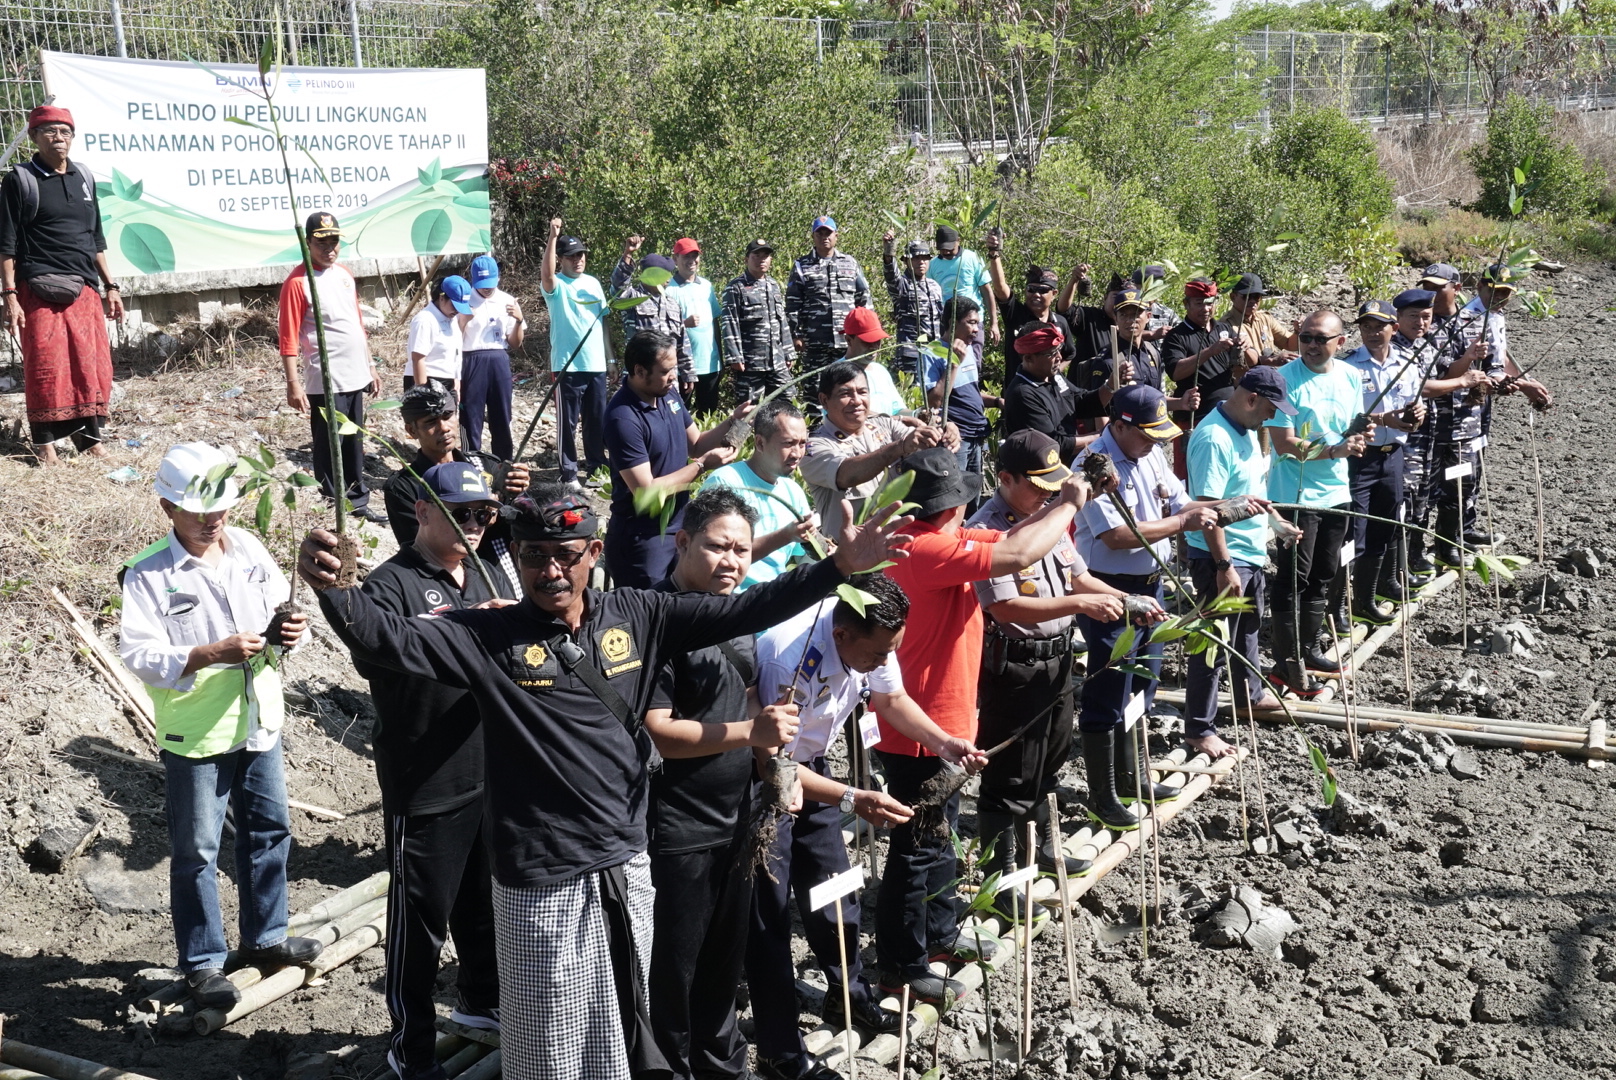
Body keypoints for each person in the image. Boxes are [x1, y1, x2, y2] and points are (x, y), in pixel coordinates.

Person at [298, 483, 916, 1080]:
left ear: (594, 554)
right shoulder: (486, 636)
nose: (551, 572)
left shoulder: (640, 614)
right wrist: (335, 587)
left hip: (626, 866)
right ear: (516, 558)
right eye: (534, 556)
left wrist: (837, 567)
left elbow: (752, 606)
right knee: (549, 1041)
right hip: (541, 876)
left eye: (567, 555)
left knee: (620, 1028)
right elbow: (386, 638)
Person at [874, 446, 1088, 1000]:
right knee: (916, 846)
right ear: (947, 509)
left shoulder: (939, 539)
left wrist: (1057, 506)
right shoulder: (924, 550)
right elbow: (1018, 555)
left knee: (940, 833)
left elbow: (1016, 537)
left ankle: (942, 934)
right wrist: (1068, 502)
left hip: (948, 720)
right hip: (920, 726)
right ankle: (903, 961)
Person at [751, 574, 984, 1073]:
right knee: (769, 915)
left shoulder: (874, 634)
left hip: (814, 770)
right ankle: (779, 1045)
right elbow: (773, 766)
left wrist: (944, 743)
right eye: (879, 653)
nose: (886, 660)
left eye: (891, 651)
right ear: (842, 637)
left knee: (837, 891)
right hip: (769, 784)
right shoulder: (786, 657)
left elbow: (892, 700)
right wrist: (854, 797)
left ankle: (849, 996)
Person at [119, 443, 321, 1011]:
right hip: (199, 733)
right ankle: (203, 962)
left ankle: (266, 938)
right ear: (167, 509)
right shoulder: (148, 575)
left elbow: (282, 608)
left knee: (269, 830)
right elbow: (139, 653)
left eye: (221, 511)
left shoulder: (249, 550)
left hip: (260, 718)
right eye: (199, 512)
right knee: (197, 851)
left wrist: (290, 630)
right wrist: (210, 653)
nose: (213, 521)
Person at [352, 462, 514, 1080]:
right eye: (462, 513)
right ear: (423, 513)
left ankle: (480, 1003)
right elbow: (377, 648)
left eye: (484, 513)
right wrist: (468, 625)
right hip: (423, 776)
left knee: (482, 901)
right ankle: (408, 1045)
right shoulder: (389, 584)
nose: (475, 525)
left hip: (485, 766)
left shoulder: (484, 570)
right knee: (419, 922)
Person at [643, 488, 803, 1080]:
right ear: (683, 542)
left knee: (723, 962)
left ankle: (723, 1065)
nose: (732, 561)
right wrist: (750, 731)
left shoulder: (734, 614)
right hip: (676, 826)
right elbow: (660, 731)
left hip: (739, 815)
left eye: (742, 550)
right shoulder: (653, 616)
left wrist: (772, 763)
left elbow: (751, 697)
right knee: (675, 967)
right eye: (718, 547)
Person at [969, 431, 1132, 875]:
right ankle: (1001, 876)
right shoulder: (987, 531)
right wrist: (1081, 605)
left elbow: (1079, 578)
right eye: (1038, 485)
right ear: (1005, 478)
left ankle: (1040, 849)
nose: (1047, 494)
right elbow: (1005, 607)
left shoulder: (1050, 518)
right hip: (1015, 665)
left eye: (1052, 485)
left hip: (1058, 659)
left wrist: (1126, 600)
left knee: (1050, 759)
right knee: (1011, 773)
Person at [1072, 387, 1213, 828]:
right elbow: (1115, 537)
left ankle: (1131, 775)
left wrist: (1219, 510)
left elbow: (1179, 499)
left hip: (1150, 584)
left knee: (1142, 682)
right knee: (1109, 686)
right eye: (1147, 433)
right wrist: (1180, 524)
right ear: (1119, 425)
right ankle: (1103, 793)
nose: (1156, 442)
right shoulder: (1091, 466)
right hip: (1110, 589)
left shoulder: (1150, 454)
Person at [1, 104, 122, 464]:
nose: (59, 138)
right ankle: (45, 445)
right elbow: (5, 244)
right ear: (34, 137)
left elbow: (95, 237)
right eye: (50, 131)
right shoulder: (20, 180)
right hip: (37, 287)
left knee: (90, 366)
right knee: (47, 367)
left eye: (65, 131)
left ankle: (90, 440)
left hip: (84, 287)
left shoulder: (83, 178)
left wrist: (111, 286)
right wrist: (9, 295)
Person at [1263, 311, 1371, 698]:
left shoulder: (1349, 376)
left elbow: (1349, 425)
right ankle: (1285, 662)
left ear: (1340, 342)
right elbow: (1284, 444)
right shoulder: (1284, 380)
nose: (1310, 345)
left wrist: (1358, 436)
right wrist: (1336, 449)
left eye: (1319, 339)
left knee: (1324, 574)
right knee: (1294, 577)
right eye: (1305, 337)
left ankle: (1308, 650)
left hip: (1337, 492)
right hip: (1296, 495)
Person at [1182, 370, 1286, 759]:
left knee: (1247, 630)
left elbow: (1247, 494)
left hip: (1249, 549)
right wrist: (1223, 564)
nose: (1271, 418)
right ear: (1251, 398)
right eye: (1270, 409)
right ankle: (1199, 729)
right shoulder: (1213, 438)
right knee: (1212, 643)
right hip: (1221, 556)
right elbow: (1209, 512)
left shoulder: (1243, 430)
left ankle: (1249, 695)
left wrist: (1276, 524)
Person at [604, 330, 748, 588]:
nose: (673, 377)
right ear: (639, 371)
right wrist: (702, 466)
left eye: (674, 369)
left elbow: (695, 444)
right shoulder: (622, 417)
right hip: (643, 538)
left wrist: (732, 421)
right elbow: (645, 491)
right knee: (648, 616)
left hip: (679, 527)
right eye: (665, 371)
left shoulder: (668, 395)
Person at [278, 212, 386, 523]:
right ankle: (332, 504)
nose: (330, 248)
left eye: (334, 241)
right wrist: (293, 382)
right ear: (307, 243)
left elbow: (357, 323)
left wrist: (371, 366)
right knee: (330, 444)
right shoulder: (298, 282)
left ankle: (356, 498)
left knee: (354, 440)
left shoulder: (343, 275)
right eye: (322, 242)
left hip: (355, 373)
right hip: (326, 378)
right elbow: (288, 336)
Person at [382, 384, 530, 585]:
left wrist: (517, 495)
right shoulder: (406, 486)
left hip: (509, 576)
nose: (444, 427)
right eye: (431, 422)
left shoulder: (486, 465)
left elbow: (523, 527)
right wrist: (484, 517)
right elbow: (422, 549)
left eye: (447, 416)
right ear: (411, 430)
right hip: (456, 586)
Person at [800, 360, 957, 536]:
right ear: (824, 400)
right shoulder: (813, 447)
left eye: (862, 392)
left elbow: (921, 442)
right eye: (845, 394)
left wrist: (945, 432)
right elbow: (846, 475)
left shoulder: (884, 425)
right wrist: (899, 447)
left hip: (899, 546)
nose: (856, 401)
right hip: (852, 556)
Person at [1340, 300, 1425, 621]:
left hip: (1394, 458)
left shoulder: (1406, 362)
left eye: (1379, 326)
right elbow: (1346, 418)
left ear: (1393, 327)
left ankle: (1367, 598)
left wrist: (1417, 415)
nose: (1373, 333)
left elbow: (1415, 409)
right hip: (1361, 458)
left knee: (1384, 529)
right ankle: (1340, 607)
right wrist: (1384, 419)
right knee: (1354, 533)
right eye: (1366, 326)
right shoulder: (1348, 367)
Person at [700, 398, 816, 590]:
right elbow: (714, 558)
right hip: (728, 598)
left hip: (770, 599)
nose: (797, 453)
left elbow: (801, 557)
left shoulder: (793, 491)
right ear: (760, 443)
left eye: (802, 443)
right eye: (788, 443)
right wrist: (786, 535)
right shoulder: (725, 482)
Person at [540, 217, 610, 491]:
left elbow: (602, 321)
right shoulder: (556, 285)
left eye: (581, 255)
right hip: (567, 365)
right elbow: (546, 275)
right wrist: (552, 237)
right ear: (562, 260)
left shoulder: (593, 284)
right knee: (567, 424)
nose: (578, 260)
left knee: (597, 421)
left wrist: (611, 358)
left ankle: (595, 468)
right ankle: (568, 473)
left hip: (596, 364)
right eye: (571, 257)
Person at [1001, 323, 1123, 463]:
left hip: (1067, 465)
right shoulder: (1023, 394)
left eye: (1059, 349)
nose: (1059, 357)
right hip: (1042, 474)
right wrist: (1105, 436)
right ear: (1028, 358)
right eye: (1052, 353)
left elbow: (1081, 403)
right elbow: (1053, 445)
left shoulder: (1053, 375)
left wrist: (1112, 383)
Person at [925, 296, 999, 500]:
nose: (976, 329)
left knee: (973, 496)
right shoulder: (932, 353)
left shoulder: (969, 351)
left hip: (976, 435)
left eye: (978, 323)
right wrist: (955, 363)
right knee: (955, 497)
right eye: (971, 322)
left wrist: (997, 401)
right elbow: (934, 401)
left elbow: (971, 394)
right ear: (952, 323)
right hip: (956, 439)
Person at [462, 254, 525, 460]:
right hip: (471, 359)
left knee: (502, 416)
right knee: (471, 416)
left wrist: (518, 320)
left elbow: (515, 343)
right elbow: (454, 337)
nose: (486, 289)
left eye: (490, 283)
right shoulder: (465, 300)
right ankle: (471, 462)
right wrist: (465, 317)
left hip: (499, 359)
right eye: (482, 284)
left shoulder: (507, 300)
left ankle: (503, 463)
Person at [785, 216, 872, 366]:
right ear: (813, 236)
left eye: (828, 233)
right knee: (814, 387)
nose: (824, 237)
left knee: (846, 385)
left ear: (836, 236)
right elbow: (793, 305)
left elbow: (863, 299)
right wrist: (795, 334)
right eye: (819, 234)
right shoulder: (802, 266)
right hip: (814, 342)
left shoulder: (850, 263)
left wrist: (867, 332)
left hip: (847, 341)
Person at [1161, 277, 1250, 423]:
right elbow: (1176, 373)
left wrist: (1245, 345)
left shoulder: (1224, 328)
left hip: (1228, 412)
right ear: (1186, 304)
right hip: (1195, 416)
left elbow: (1248, 363)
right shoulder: (1176, 336)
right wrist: (1209, 351)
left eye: (1210, 303)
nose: (1206, 309)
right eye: (1199, 303)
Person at [1095, 287, 1197, 412]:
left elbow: (1156, 400)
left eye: (1135, 314)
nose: (1130, 320)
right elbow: (1099, 411)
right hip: (1123, 429)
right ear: (1115, 318)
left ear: (1148, 316)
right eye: (1123, 315)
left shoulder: (1153, 353)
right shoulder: (1108, 359)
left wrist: (1181, 403)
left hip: (1153, 427)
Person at [614, 245, 695, 398]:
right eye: (664, 274)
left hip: (669, 380)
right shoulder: (632, 297)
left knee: (669, 418)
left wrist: (688, 372)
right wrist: (627, 254)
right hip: (641, 379)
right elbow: (618, 285)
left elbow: (682, 341)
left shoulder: (672, 303)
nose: (669, 278)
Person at [721, 239, 795, 403]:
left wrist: (788, 352)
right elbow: (730, 322)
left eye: (766, 256)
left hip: (777, 360)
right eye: (757, 255)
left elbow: (782, 321)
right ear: (746, 259)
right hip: (750, 362)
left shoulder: (773, 285)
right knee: (748, 410)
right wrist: (735, 357)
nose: (762, 259)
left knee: (787, 402)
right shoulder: (736, 287)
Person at [990, 265, 1076, 385]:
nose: (1036, 294)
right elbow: (1000, 288)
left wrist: (1052, 373)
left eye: (1043, 291)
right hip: (1019, 390)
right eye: (1031, 289)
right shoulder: (1015, 314)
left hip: (1050, 392)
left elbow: (1069, 354)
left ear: (1054, 293)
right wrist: (994, 254)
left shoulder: (1060, 322)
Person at [668, 238, 725, 414]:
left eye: (695, 255)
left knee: (708, 415)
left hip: (709, 363)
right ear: (675, 258)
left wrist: (721, 360)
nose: (692, 260)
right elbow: (661, 329)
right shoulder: (668, 288)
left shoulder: (707, 286)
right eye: (686, 256)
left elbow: (716, 322)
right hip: (681, 366)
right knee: (679, 416)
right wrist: (685, 324)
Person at [880, 232, 944, 380]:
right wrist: (889, 252)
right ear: (906, 261)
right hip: (912, 354)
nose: (921, 262)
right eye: (916, 258)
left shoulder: (934, 286)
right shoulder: (902, 285)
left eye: (924, 258)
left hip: (935, 351)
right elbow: (891, 276)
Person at [930, 225, 997, 357]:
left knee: (973, 363)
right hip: (947, 324)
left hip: (973, 322)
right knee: (947, 363)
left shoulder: (972, 258)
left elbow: (987, 291)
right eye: (942, 249)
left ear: (958, 241)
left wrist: (994, 323)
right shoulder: (932, 265)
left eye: (950, 248)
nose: (946, 252)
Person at [406, 274, 472, 396]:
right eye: (454, 305)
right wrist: (423, 393)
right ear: (441, 298)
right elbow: (417, 359)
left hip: (447, 380)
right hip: (426, 380)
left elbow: (454, 352)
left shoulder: (451, 318)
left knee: (451, 415)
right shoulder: (425, 320)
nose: (457, 311)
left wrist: (455, 378)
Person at [842, 307, 906, 416]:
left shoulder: (880, 370)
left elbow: (897, 410)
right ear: (849, 340)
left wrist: (917, 414)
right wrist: (891, 420)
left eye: (877, 341)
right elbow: (845, 415)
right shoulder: (838, 373)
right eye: (867, 342)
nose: (874, 347)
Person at [1226, 273, 1298, 359]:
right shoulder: (1225, 325)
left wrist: (1298, 331)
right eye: (1247, 296)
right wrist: (1271, 361)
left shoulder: (1265, 319)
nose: (1252, 301)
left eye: (1257, 296)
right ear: (1233, 297)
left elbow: (1289, 344)